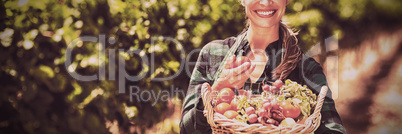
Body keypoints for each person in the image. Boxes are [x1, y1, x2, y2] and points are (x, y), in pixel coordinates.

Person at [180, 0, 346, 133]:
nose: (266, 2)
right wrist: (219, 88)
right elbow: (186, 130)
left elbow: (335, 129)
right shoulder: (213, 54)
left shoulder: (306, 68)